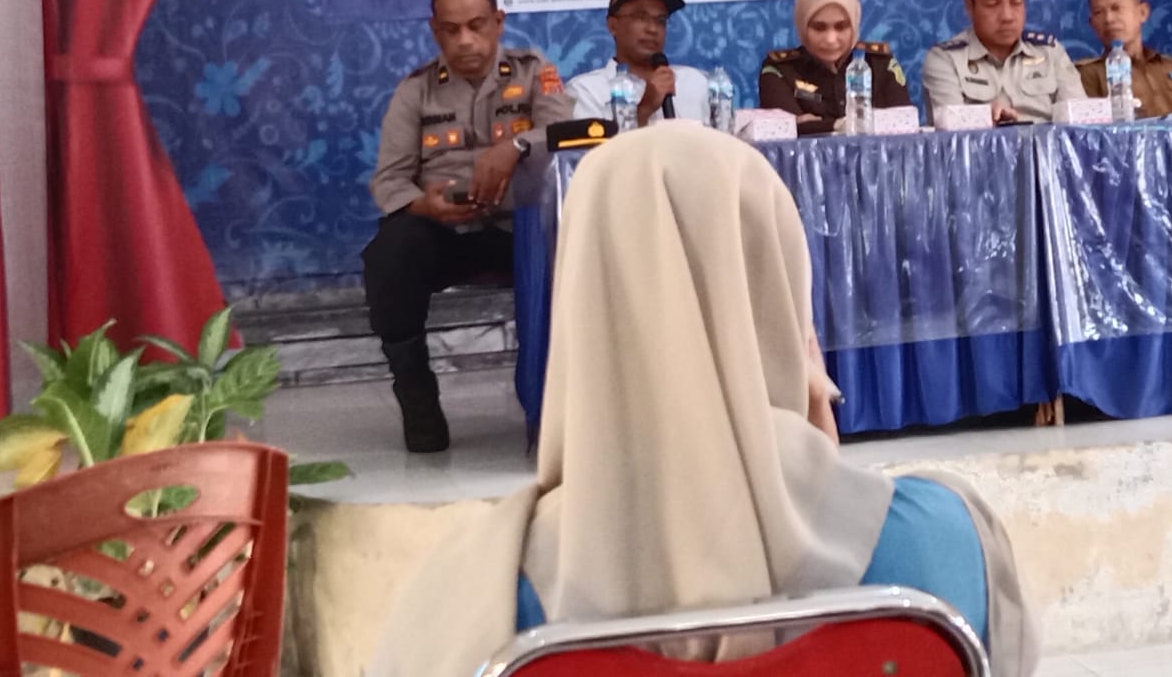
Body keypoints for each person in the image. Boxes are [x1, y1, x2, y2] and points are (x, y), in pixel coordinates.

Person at [368, 125, 1039, 677]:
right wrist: (816, 451)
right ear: (780, 286)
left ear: (580, 296)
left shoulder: (470, 596)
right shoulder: (945, 543)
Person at [363, 0, 573, 453]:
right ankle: (416, 395)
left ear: (498, 23)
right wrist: (424, 205)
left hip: (522, 231)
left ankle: (560, 399)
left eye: (476, 26)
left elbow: (564, 133)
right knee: (389, 252)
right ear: (435, 31)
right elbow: (389, 180)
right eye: (451, 29)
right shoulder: (416, 91)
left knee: (576, 244)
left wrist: (515, 146)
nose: (464, 40)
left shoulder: (534, 72)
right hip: (448, 233)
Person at [921, 0, 1085, 124]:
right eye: (993, 4)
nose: (1007, 16)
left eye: (1016, 3)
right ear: (970, 7)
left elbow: (1081, 123)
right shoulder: (945, 59)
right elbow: (950, 129)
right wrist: (985, 117)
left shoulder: (1050, 52)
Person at [758, 0, 912, 134]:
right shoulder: (780, 70)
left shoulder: (881, 65)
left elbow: (902, 124)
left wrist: (817, 126)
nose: (831, 39)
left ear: (854, 24)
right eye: (819, 28)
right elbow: (784, 131)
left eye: (841, 27)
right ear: (802, 25)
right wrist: (838, 125)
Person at [566, 0, 711, 125]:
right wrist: (644, 109)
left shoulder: (694, 82)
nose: (652, 29)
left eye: (660, 20)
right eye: (640, 18)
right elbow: (596, 142)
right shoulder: (585, 91)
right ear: (613, 26)